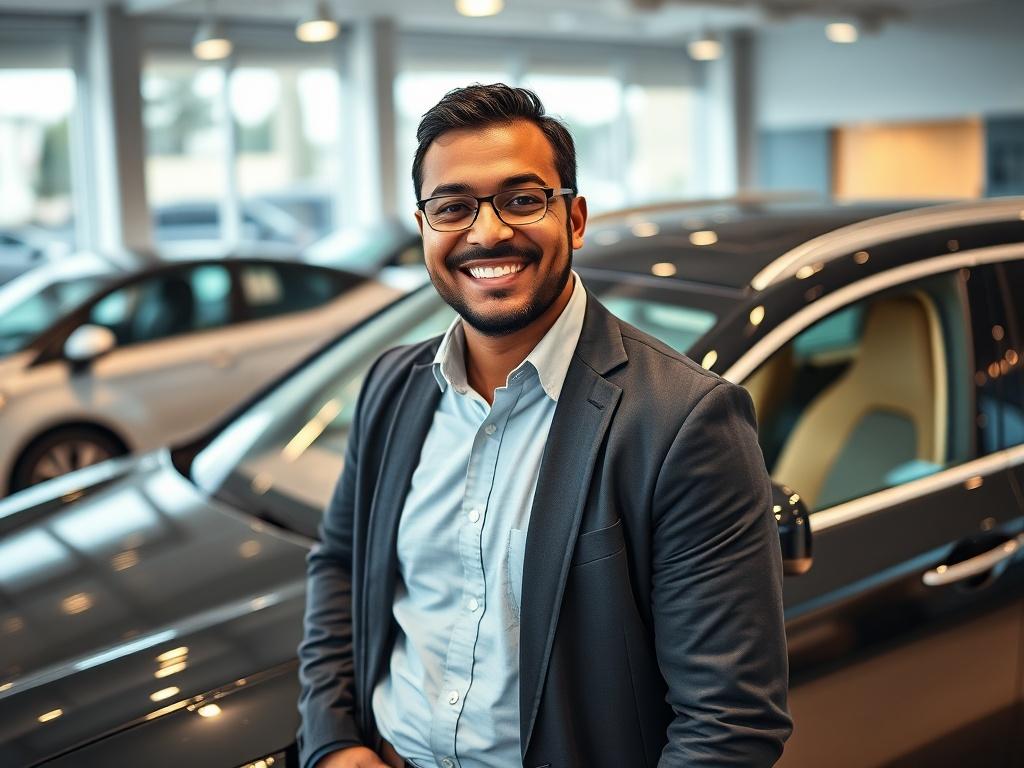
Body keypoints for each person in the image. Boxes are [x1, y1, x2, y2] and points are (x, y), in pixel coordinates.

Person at [297, 83, 791, 768]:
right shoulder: (393, 385)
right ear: (424, 230)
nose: (487, 231)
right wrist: (333, 742)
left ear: (576, 218)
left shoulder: (681, 421)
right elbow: (339, 565)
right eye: (453, 207)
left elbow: (729, 724)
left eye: (522, 200)